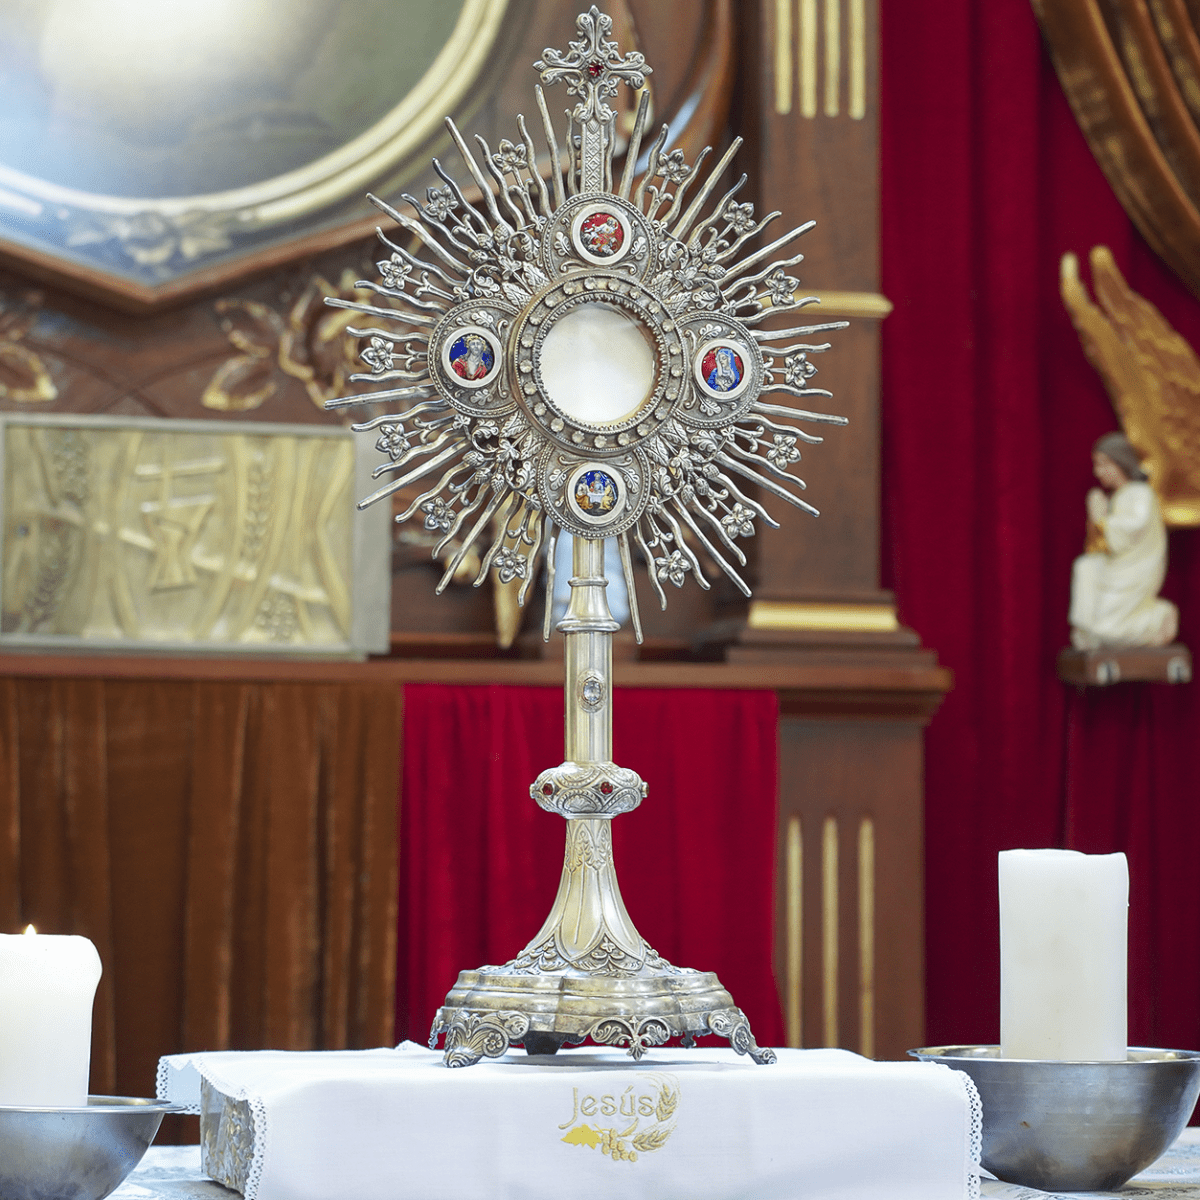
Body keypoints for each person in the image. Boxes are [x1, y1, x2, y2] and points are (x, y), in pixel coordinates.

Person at [1069, 432, 1178, 649]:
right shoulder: (1119, 496)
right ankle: (1086, 629)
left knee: (1109, 629)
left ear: (1119, 463)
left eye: (1102, 464)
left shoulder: (1141, 494)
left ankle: (1156, 619)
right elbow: (1099, 546)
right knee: (1086, 567)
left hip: (1135, 568)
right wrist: (1095, 521)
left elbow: (1129, 531)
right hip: (1117, 566)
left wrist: (1100, 518)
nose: (1096, 472)